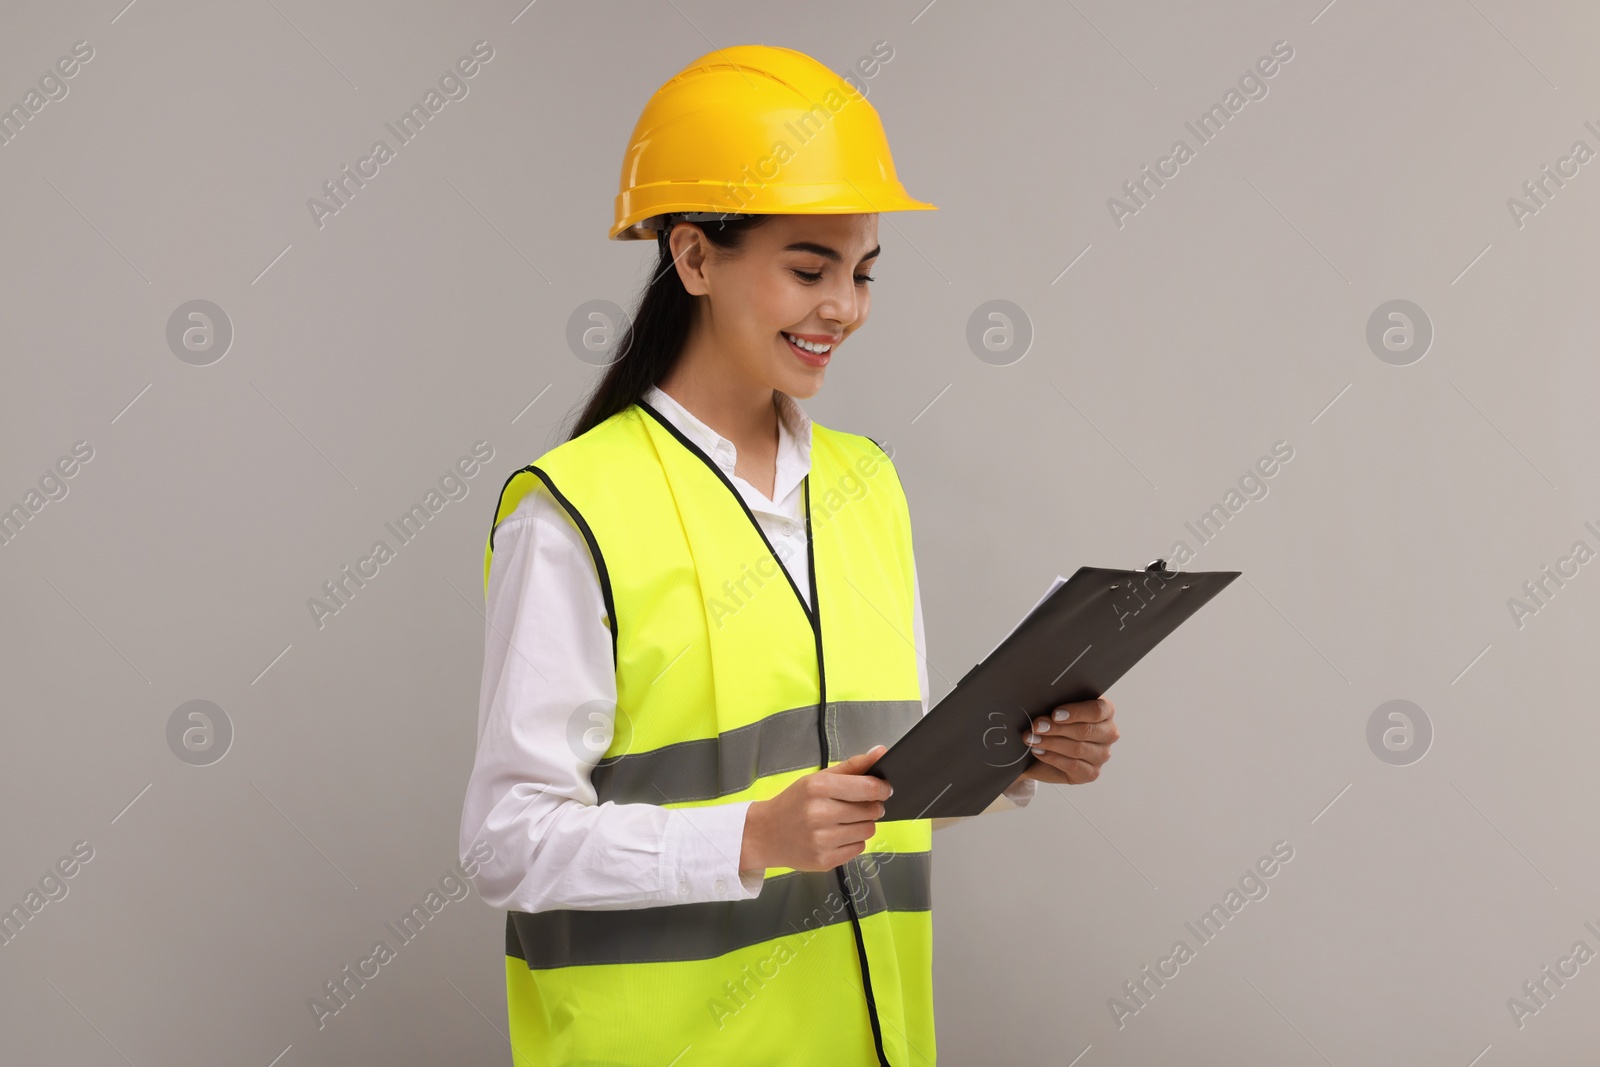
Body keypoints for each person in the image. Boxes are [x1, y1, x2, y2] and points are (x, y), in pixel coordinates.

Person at [458, 44, 1120, 1066]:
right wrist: (749, 839)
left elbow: (867, 790)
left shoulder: (866, 486)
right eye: (808, 269)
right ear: (692, 258)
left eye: (860, 273)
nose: (843, 308)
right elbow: (506, 842)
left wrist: (1016, 757)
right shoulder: (573, 510)